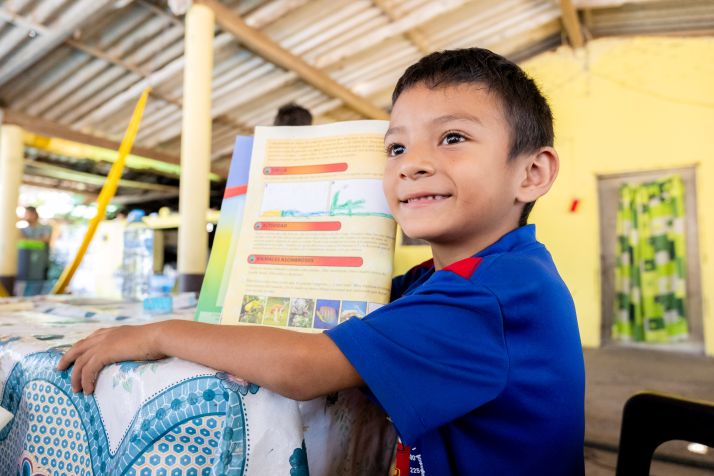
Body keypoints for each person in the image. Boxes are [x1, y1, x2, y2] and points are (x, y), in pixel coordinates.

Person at [58, 48, 584, 475]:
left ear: (531, 173)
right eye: (396, 148)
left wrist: (159, 334)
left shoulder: (493, 293)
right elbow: (341, 309)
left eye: (452, 138)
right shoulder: (446, 278)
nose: (413, 165)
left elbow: (304, 367)